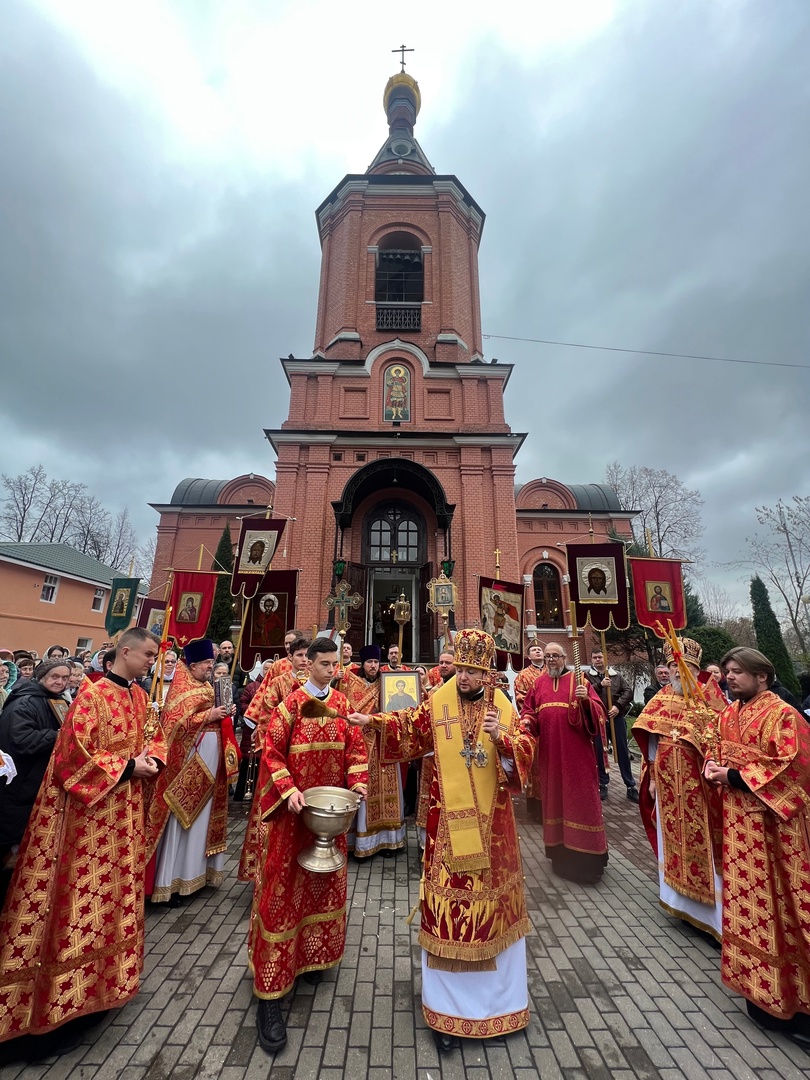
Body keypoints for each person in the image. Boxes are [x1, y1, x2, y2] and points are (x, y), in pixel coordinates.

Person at [350, 629, 535, 1052]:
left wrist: (501, 738)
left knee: (493, 917)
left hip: (493, 838)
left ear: (487, 673)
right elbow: (407, 725)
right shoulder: (439, 702)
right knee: (449, 917)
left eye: (473, 670)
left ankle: (499, 1006)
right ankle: (447, 1010)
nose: (465, 676)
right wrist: (373, 722)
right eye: (462, 668)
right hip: (447, 832)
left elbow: (526, 752)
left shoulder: (504, 708)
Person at [0, 628, 166, 1051]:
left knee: (113, 899)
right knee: (82, 901)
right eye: (148, 654)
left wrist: (156, 757)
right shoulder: (90, 696)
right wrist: (130, 766)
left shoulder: (141, 696)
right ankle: (60, 1000)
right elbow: (72, 758)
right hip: (88, 824)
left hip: (125, 816)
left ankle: (101, 986)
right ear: (124, 651)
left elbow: (154, 733)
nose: (152, 661)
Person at [250, 637, 368, 1054]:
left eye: (335, 663)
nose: (331, 669)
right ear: (308, 665)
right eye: (324, 664)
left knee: (323, 888)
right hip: (292, 817)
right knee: (282, 894)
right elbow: (272, 753)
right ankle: (270, 993)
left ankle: (313, 958)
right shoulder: (290, 705)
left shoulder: (340, 704)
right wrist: (287, 789)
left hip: (329, 815)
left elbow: (356, 748)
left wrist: (358, 783)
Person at [703, 647, 810, 1047]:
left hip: (775, 832)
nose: (729, 677)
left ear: (761, 676)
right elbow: (714, 751)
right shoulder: (728, 715)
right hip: (738, 831)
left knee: (787, 906)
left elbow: (796, 766)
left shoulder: (783, 714)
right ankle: (762, 993)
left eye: (737, 672)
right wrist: (712, 767)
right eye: (727, 671)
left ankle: (797, 999)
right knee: (752, 907)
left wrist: (730, 775)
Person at [632, 637, 725, 940]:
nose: (677, 671)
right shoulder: (660, 698)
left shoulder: (709, 701)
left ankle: (713, 918)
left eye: (684, 666)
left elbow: (721, 744)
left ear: (696, 669)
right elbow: (652, 743)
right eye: (673, 665)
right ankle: (681, 904)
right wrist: (653, 779)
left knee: (708, 846)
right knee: (673, 842)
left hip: (701, 790)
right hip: (669, 788)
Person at [144, 639, 238, 906]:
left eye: (212, 663)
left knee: (203, 819)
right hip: (187, 768)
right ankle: (171, 883)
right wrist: (208, 716)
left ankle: (196, 874)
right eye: (207, 663)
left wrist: (225, 713)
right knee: (181, 820)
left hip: (210, 763)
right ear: (193, 664)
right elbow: (173, 725)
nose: (211, 667)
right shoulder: (181, 689)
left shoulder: (206, 686)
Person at [521, 642, 608, 883]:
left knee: (581, 802)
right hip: (550, 757)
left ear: (564, 657)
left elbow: (599, 716)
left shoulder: (580, 682)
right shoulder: (538, 684)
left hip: (577, 758)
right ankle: (560, 855)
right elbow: (529, 711)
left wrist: (587, 702)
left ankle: (588, 860)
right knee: (555, 802)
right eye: (546, 656)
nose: (550, 660)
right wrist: (527, 723)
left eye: (555, 656)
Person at [237, 640, 310, 881]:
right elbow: (264, 719)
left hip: (306, 761)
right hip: (279, 759)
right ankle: (266, 872)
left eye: (307, 655)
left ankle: (299, 870)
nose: (303, 660)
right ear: (290, 657)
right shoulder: (278, 683)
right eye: (299, 655)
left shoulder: (316, 685)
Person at [0, 660, 72, 865]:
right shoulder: (25, 702)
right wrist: (58, 736)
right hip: (20, 783)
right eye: (55, 677)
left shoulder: (56, 700)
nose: (60, 682)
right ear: (42, 677)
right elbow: (22, 741)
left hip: (37, 783)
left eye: (65, 678)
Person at [347, 645, 407, 858]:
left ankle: (387, 842)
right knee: (363, 792)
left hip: (385, 745)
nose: (373, 666)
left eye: (376, 662)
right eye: (369, 662)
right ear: (362, 664)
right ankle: (360, 842)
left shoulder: (387, 683)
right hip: (361, 746)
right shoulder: (349, 683)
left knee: (387, 793)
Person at [585, 649, 638, 802]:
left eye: (600, 657)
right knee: (600, 751)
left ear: (605, 658)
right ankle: (603, 783)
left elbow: (628, 691)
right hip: (598, 719)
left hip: (616, 717)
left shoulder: (616, 676)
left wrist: (617, 706)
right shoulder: (587, 676)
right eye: (595, 657)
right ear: (592, 659)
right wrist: (600, 685)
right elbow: (586, 692)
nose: (597, 660)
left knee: (622, 750)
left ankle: (630, 785)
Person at [514, 643, 545, 711]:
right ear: (529, 657)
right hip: (533, 712)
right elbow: (520, 697)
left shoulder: (552, 672)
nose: (537, 651)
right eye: (534, 650)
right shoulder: (523, 675)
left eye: (539, 650)